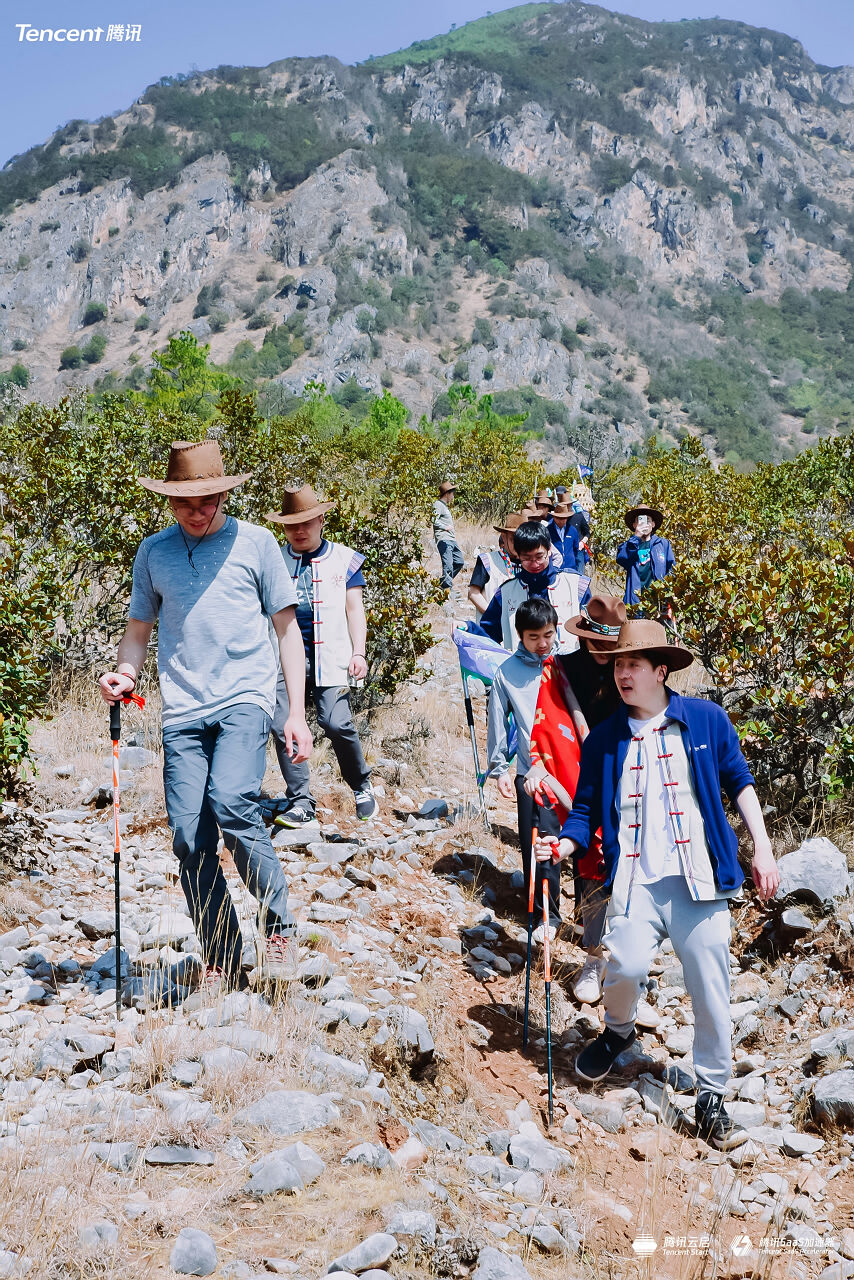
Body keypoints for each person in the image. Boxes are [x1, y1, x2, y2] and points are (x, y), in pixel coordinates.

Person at [536, 619, 780, 1150]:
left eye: (632, 665)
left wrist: (761, 846)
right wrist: (565, 846)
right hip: (637, 881)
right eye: (618, 664)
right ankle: (619, 1031)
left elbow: (740, 781)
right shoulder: (605, 738)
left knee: (711, 988)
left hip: (700, 881)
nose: (621, 674)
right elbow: (583, 812)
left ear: (660, 671)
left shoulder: (706, 720)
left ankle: (712, 1094)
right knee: (623, 968)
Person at [98, 440, 313, 992]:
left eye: (207, 499)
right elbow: (139, 631)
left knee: (232, 799)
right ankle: (221, 952)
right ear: (169, 500)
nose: (196, 511)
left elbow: (287, 630)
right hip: (183, 706)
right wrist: (125, 672)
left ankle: (279, 927)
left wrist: (295, 713)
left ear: (223, 494)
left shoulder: (258, 543)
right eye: (184, 502)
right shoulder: (153, 552)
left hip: (245, 696)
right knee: (190, 837)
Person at [526, 595, 625, 1000]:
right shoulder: (563, 669)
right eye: (596, 644)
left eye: (611, 648)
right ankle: (593, 957)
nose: (603, 655)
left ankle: (627, 964)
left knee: (627, 865)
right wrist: (541, 764)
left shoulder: (631, 665)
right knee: (587, 860)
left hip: (625, 771)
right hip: (575, 773)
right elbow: (547, 722)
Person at [265, 485, 377, 826]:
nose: (299, 531)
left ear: (321, 521)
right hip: (284, 654)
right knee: (282, 723)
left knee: (335, 721)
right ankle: (300, 801)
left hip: (331, 654)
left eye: (307, 523)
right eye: (291, 525)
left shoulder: (344, 559)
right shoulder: (273, 559)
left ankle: (360, 784)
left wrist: (359, 651)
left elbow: (354, 608)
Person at [487, 599, 576, 942]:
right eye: (533, 636)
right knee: (536, 843)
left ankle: (589, 915)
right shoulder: (507, 673)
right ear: (519, 636)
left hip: (574, 768)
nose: (542, 643)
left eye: (548, 634)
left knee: (584, 841)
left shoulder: (567, 664)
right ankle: (546, 916)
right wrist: (499, 769)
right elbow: (497, 721)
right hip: (534, 772)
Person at [480, 521, 587, 653]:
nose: (534, 564)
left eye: (539, 556)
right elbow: (486, 634)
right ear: (518, 555)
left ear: (549, 550)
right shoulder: (506, 593)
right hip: (520, 670)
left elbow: (592, 633)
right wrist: (467, 628)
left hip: (565, 671)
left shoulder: (576, 585)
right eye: (527, 558)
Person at [616, 504, 675, 607]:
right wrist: (636, 538)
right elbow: (622, 559)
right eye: (640, 520)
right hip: (635, 602)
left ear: (653, 524)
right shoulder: (629, 545)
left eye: (648, 520)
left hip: (658, 602)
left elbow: (672, 570)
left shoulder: (663, 544)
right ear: (634, 525)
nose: (644, 524)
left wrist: (666, 593)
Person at [467, 512, 522, 620]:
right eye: (513, 539)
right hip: (492, 628)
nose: (518, 544)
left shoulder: (529, 563)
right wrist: (493, 616)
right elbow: (473, 593)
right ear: (503, 536)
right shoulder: (487, 560)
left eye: (521, 539)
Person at [433, 480, 464, 590]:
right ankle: (446, 590)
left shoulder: (445, 507)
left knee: (459, 561)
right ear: (447, 493)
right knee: (448, 565)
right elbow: (433, 519)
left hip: (451, 540)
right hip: (444, 540)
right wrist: (444, 527)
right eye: (452, 493)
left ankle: (442, 583)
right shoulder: (438, 504)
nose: (453, 496)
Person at [547, 500, 581, 573]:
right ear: (554, 517)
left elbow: (576, 549)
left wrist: (575, 565)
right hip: (554, 569)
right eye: (558, 518)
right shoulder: (548, 531)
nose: (561, 521)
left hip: (571, 568)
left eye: (563, 518)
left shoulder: (572, 530)